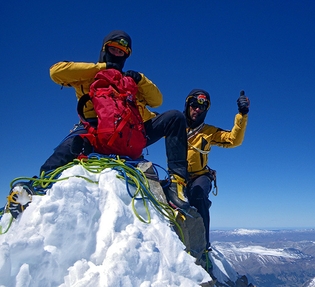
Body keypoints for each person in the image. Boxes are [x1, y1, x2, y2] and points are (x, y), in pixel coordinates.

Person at [40, 30, 190, 210]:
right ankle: (39, 188)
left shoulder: (129, 81)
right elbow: (56, 72)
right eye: (114, 49)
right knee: (63, 153)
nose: (118, 54)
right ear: (105, 49)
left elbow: (157, 101)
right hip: (95, 129)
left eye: (122, 52)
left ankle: (177, 182)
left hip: (132, 132)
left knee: (174, 117)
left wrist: (141, 80)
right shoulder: (88, 74)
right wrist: (102, 68)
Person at [183, 89, 250, 258]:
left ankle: (203, 245)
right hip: (178, 176)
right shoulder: (175, 125)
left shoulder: (208, 131)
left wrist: (242, 114)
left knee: (198, 196)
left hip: (200, 176)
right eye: (194, 105)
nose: (198, 109)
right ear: (188, 104)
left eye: (202, 106)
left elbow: (233, 140)